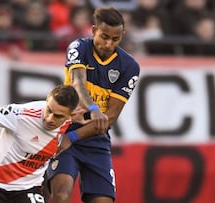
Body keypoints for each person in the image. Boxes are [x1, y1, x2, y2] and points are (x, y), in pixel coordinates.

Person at [47, 7, 140, 203]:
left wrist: (73, 137)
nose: (108, 44)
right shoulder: (78, 47)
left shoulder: (130, 66)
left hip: (94, 137)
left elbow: (111, 117)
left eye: (115, 39)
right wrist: (94, 109)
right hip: (65, 126)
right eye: (104, 36)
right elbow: (77, 83)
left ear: (122, 36)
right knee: (61, 196)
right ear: (93, 30)